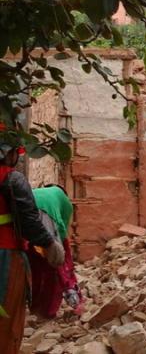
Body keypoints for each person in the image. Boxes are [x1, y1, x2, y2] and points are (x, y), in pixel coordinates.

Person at [0, 131, 65, 353]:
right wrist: (49, 243)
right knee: (7, 317)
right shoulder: (11, 178)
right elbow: (28, 218)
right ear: (8, 154)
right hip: (5, 256)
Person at [25, 185, 82, 319]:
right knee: (56, 267)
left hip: (25, 215)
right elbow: (62, 229)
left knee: (34, 264)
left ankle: (35, 306)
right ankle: (51, 309)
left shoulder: (36, 191)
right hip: (45, 218)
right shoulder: (64, 200)